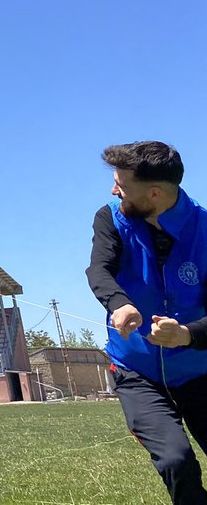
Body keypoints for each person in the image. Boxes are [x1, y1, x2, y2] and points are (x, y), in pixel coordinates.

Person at [87, 141, 207, 504]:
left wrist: (187, 334)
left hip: (199, 370)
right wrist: (119, 304)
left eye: (121, 185)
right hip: (136, 373)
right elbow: (99, 269)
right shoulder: (110, 217)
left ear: (154, 193)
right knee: (177, 460)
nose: (113, 190)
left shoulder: (204, 229)